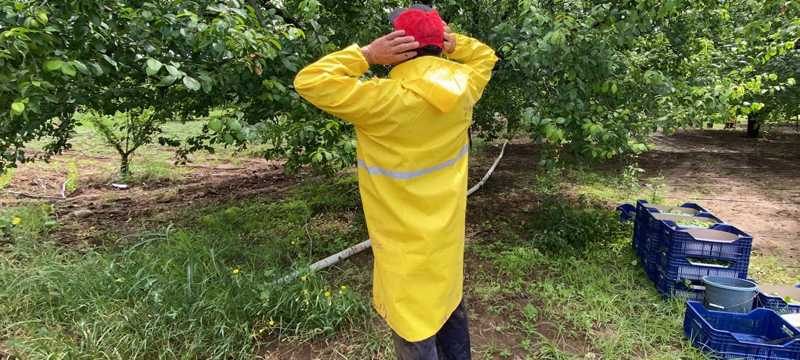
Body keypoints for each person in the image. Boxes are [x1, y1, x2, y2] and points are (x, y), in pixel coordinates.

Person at [294, 5, 497, 359]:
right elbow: (485, 57)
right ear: (438, 45)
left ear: (397, 45)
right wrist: (456, 44)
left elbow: (309, 81)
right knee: (449, 311)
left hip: (404, 254)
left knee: (414, 329)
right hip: (445, 246)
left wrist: (366, 55)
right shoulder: (463, 87)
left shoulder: (382, 100)